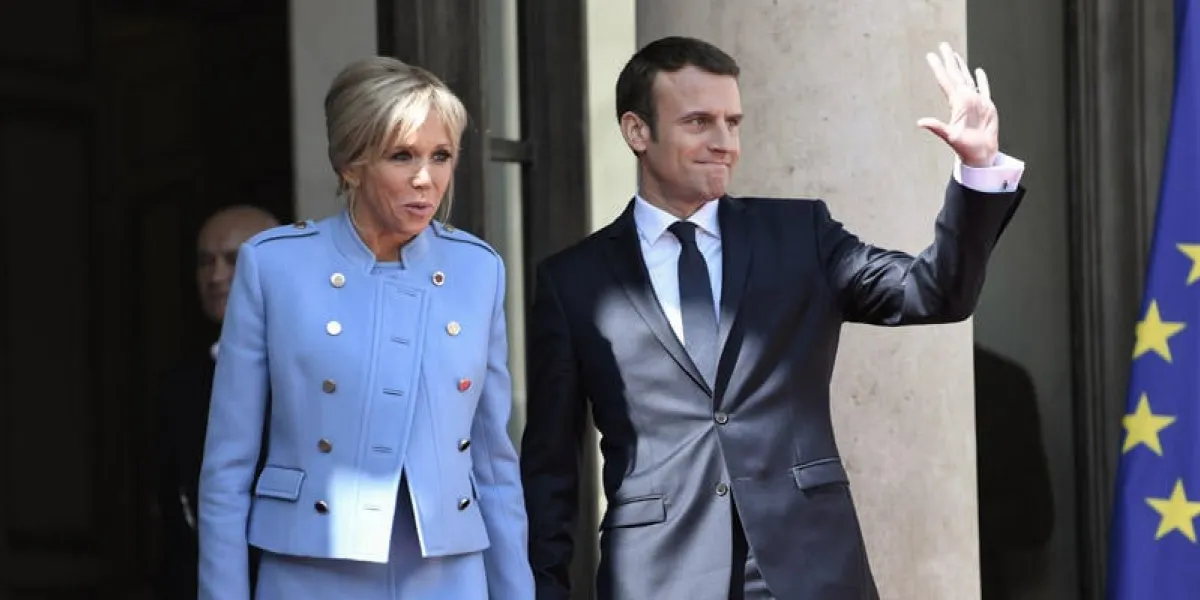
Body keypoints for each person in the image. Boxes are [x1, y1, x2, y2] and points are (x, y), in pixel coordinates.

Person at [520, 36, 1026, 600]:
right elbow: (550, 471)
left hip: (811, 569)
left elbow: (934, 293)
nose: (724, 143)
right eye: (698, 122)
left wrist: (977, 170)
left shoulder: (801, 234)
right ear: (637, 131)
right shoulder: (573, 282)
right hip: (659, 577)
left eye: (732, 123)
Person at [197, 56, 534, 600]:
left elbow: (495, 466)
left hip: (448, 576)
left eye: (441, 156)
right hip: (309, 569)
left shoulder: (479, 270)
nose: (426, 179)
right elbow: (226, 469)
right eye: (403, 156)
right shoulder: (274, 266)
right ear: (351, 163)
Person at [154, 205, 278, 600]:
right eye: (205, 262)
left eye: (234, 260)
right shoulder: (179, 384)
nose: (217, 276)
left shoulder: (320, 366)